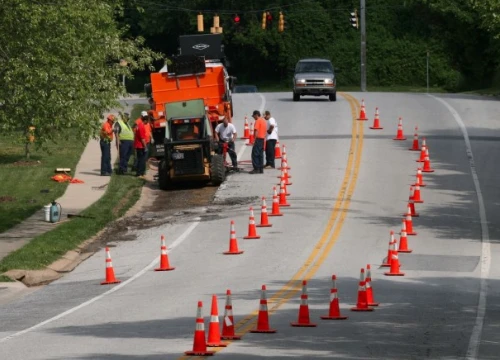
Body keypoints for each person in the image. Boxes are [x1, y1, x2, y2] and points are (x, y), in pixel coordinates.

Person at [249, 110, 267, 174]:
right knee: (260, 155)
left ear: (256, 115)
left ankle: (256, 168)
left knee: (255, 154)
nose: (253, 117)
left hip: (258, 139)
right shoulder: (263, 121)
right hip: (262, 139)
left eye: (254, 116)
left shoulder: (258, 121)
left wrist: (254, 140)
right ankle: (261, 169)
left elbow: (256, 130)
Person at [134, 112, 148, 178]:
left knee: (141, 159)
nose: (147, 123)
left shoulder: (139, 125)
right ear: (145, 120)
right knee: (141, 160)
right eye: (147, 121)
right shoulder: (141, 126)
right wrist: (145, 147)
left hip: (138, 145)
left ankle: (141, 173)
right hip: (140, 146)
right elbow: (142, 138)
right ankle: (139, 173)